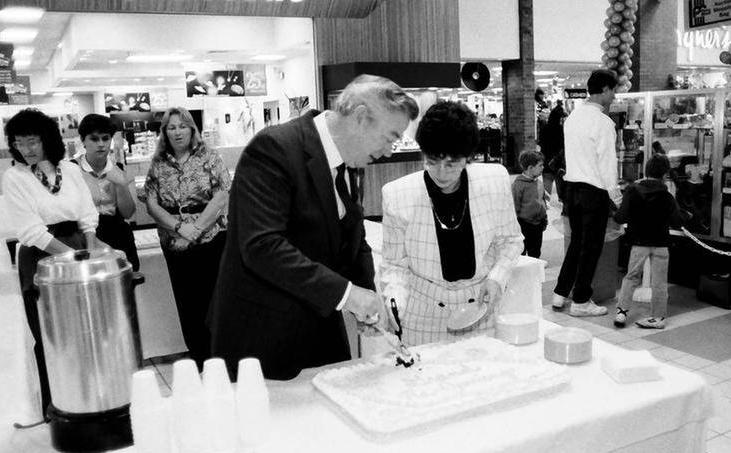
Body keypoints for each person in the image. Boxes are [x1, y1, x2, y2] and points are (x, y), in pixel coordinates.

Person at [209, 75, 419, 380]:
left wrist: (368, 298)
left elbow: (353, 239)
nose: (389, 151)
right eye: (389, 138)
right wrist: (349, 296)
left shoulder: (348, 162)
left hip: (320, 331)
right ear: (360, 118)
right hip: (264, 339)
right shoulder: (274, 149)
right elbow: (262, 246)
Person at [380, 101, 522, 346]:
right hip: (422, 314)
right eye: (432, 162)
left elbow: (510, 241)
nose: (441, 173)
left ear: (468, 158)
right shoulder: (397, 195)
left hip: (479, 308)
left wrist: (497, 277)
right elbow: (394, 264)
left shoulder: (494, 181)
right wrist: (395, 302)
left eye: (452, 164)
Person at [1, 109, 101, 415]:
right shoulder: (14, 177)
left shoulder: (69, 170)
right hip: (43, 257)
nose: (27, 149)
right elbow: (31, 231)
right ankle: (57, 407)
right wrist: (71, 256)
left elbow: (86, 213)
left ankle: (93, 399)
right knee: (51, 337)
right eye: (19, 143)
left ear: (46, 139)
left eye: (32, 141)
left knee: (87, 331)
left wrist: (92, 246)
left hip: (78, 247)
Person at [138, 107, 231, 366]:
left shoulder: (210, 157)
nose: (177, 131)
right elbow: (151, 203)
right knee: (187, 304)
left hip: (211, 238)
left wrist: (195, 230)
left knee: (214, 301)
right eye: (171, 127)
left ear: (192, 129)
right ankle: (200, 360)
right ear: (164, 132)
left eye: (182, 126)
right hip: (173, 241)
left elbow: (221, 196)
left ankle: (220, 360)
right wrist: (180, 229)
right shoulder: (158, 163)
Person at [552, 69, 621, 317]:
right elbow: (607, 164)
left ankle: (560, 294)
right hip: (594, 192)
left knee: (576, 244)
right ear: (604, 89)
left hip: (572, 190)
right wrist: (617, 197)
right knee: (590, 248)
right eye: (613, 90)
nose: (614, 96)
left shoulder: (572, 118)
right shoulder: (603, 122)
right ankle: (581, 300)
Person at [613, 155, 686, 330]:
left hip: (638, 242)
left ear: (646, 170)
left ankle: (622, 312)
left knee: (631, 276)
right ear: (664, 173)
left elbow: (620, 217)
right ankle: (658, 317)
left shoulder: (632, 190)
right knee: (660, 281)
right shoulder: (667, 196)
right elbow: (678, 221)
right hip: (661, 243)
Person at [73, 113, 140, 272]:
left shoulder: (119, 169)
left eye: (105, 138)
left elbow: (128, 213)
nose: (101, 144)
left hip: (117, 232)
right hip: (83, 235)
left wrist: (121, 184)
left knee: (125, 281)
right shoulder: (72, 170)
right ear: (83, 141)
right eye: (94, 139)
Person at [512, 149, 548, 259]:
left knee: (535, 251)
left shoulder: (539, 183)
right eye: (540, 165)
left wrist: (544, 218)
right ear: (530, 168)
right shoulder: (518, 185)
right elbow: (515, 206)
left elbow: (542, 202)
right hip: (524, 224)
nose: (543, 168)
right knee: (521, 252)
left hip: (538, 224)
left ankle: (534, 268)